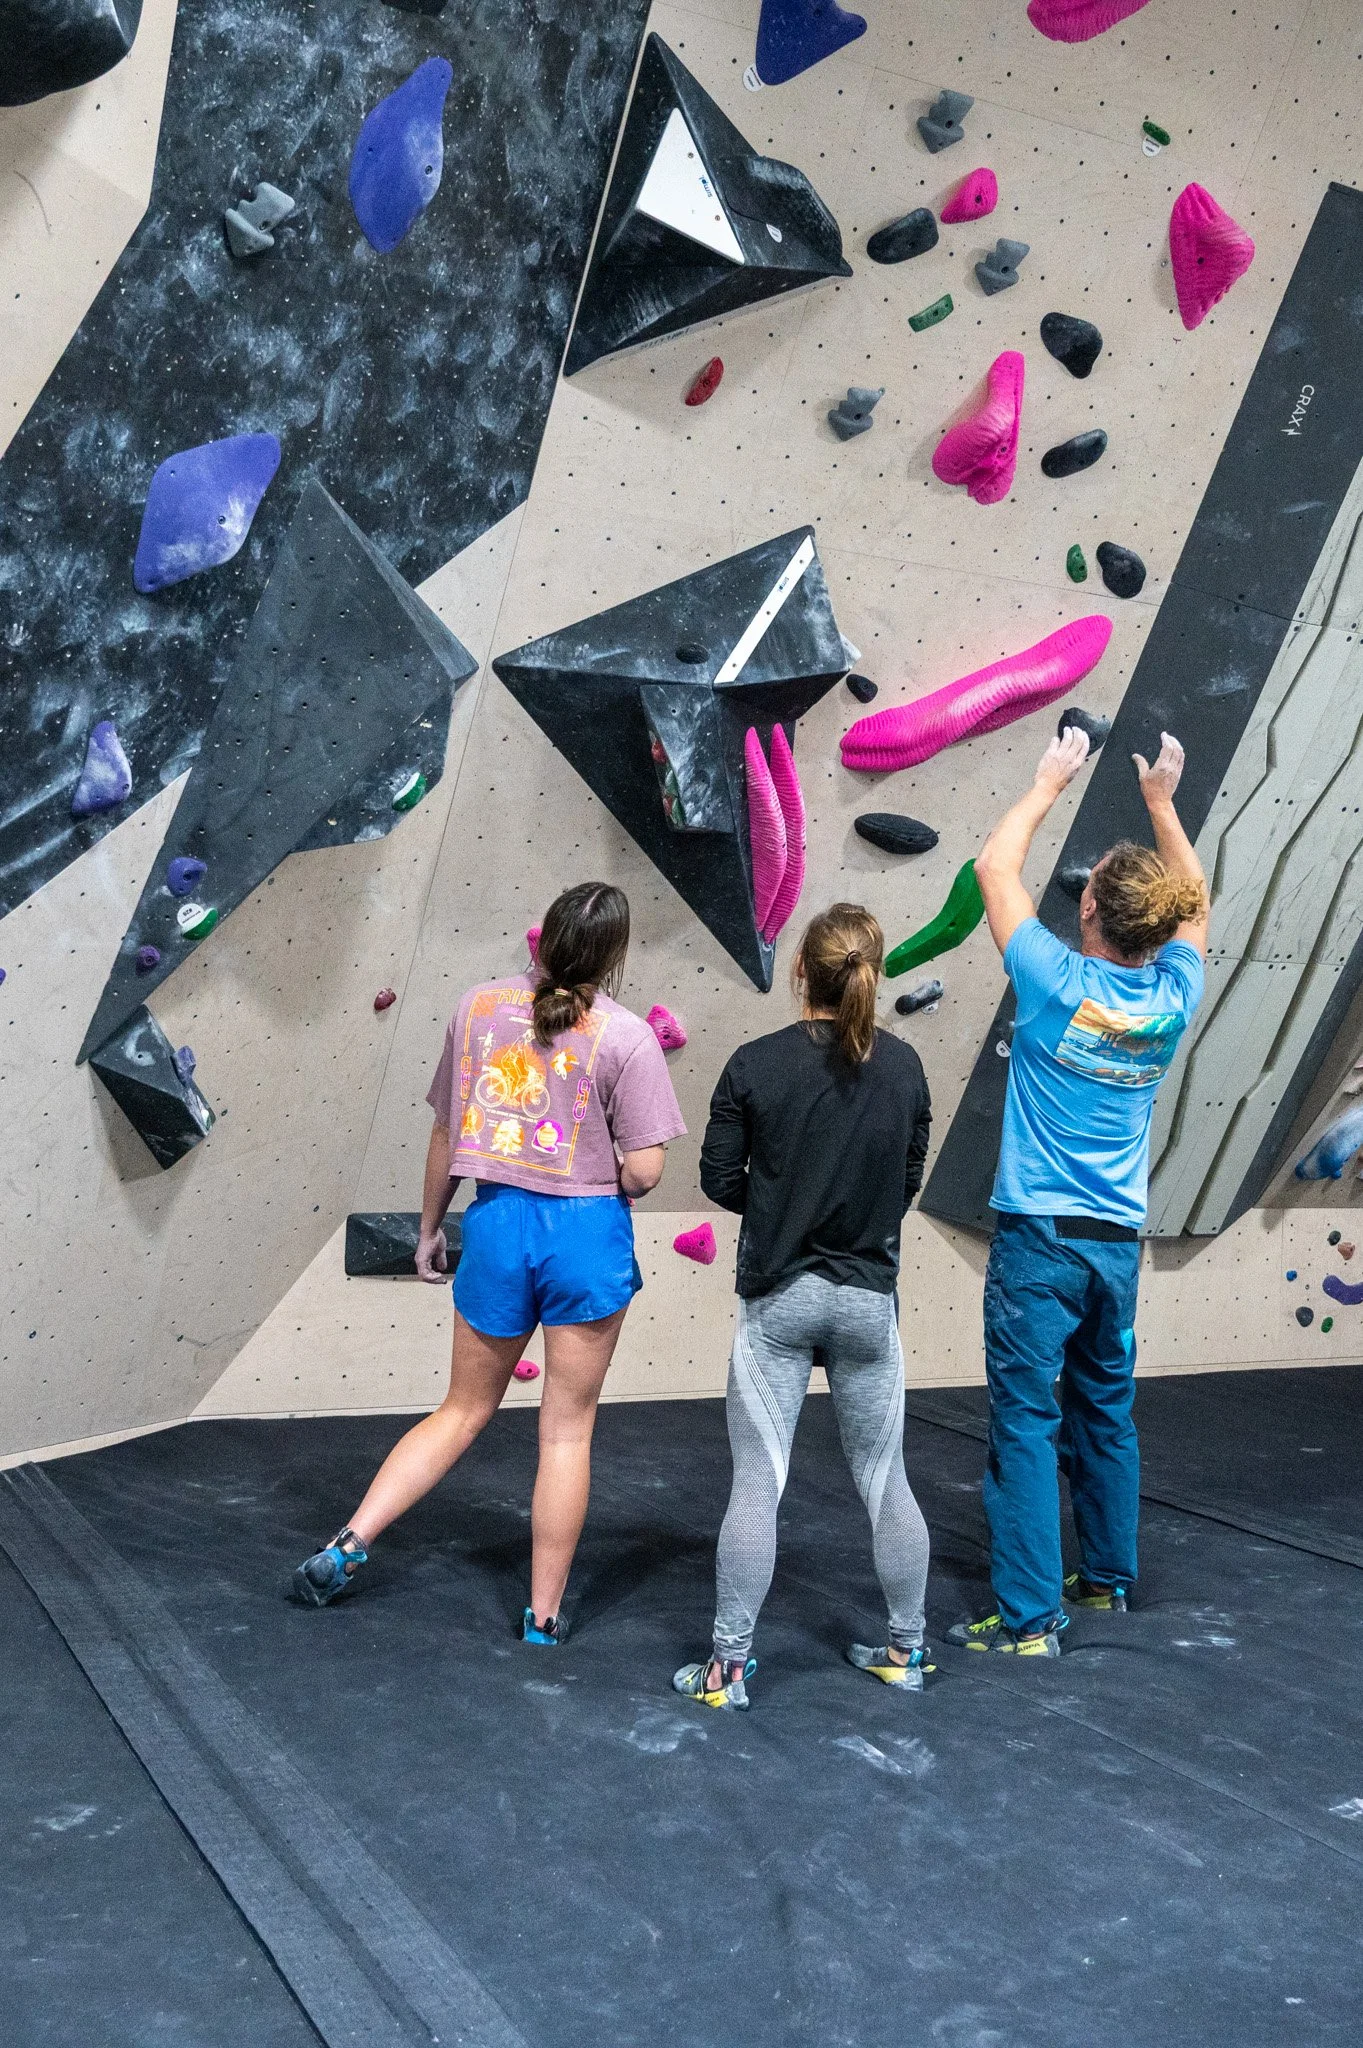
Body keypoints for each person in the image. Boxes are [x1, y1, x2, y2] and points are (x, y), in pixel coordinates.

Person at [294, 882, 686, 1642]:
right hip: (585, 1236)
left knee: (461, 1410)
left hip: (498, 1225)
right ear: (613, 955)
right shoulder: (627, 1037)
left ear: (543, 941)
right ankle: (542, 1617)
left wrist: (429, 1228)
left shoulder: (475, 1009)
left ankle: (350, 1543)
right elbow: (643, 1173)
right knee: (565, 1432)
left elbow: (447, 1133)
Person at [949, 728, 1208, 1657]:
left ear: (1089, 906)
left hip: (1039, 1243)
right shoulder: (1174, 994)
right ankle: (1103, 1581)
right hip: (1114, 1243)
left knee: (1023, 1420)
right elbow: (1196, 907)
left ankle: (1026, 1619)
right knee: (1103, 1405)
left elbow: (992, 865)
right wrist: (1162, 806)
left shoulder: (1051, 979)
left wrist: (1047, 779)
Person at [673, 903, 934, 1712]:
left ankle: (725, 1671)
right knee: (887, 1481)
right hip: (867, 1305)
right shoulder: (907, 1068)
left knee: (758, 1483)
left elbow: (721, 1179)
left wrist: (783, 1207)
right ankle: (906, 1651)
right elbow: (904, 1185)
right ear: (874, 972)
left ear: (800, 973)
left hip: (779, 1302)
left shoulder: (753, 1063)